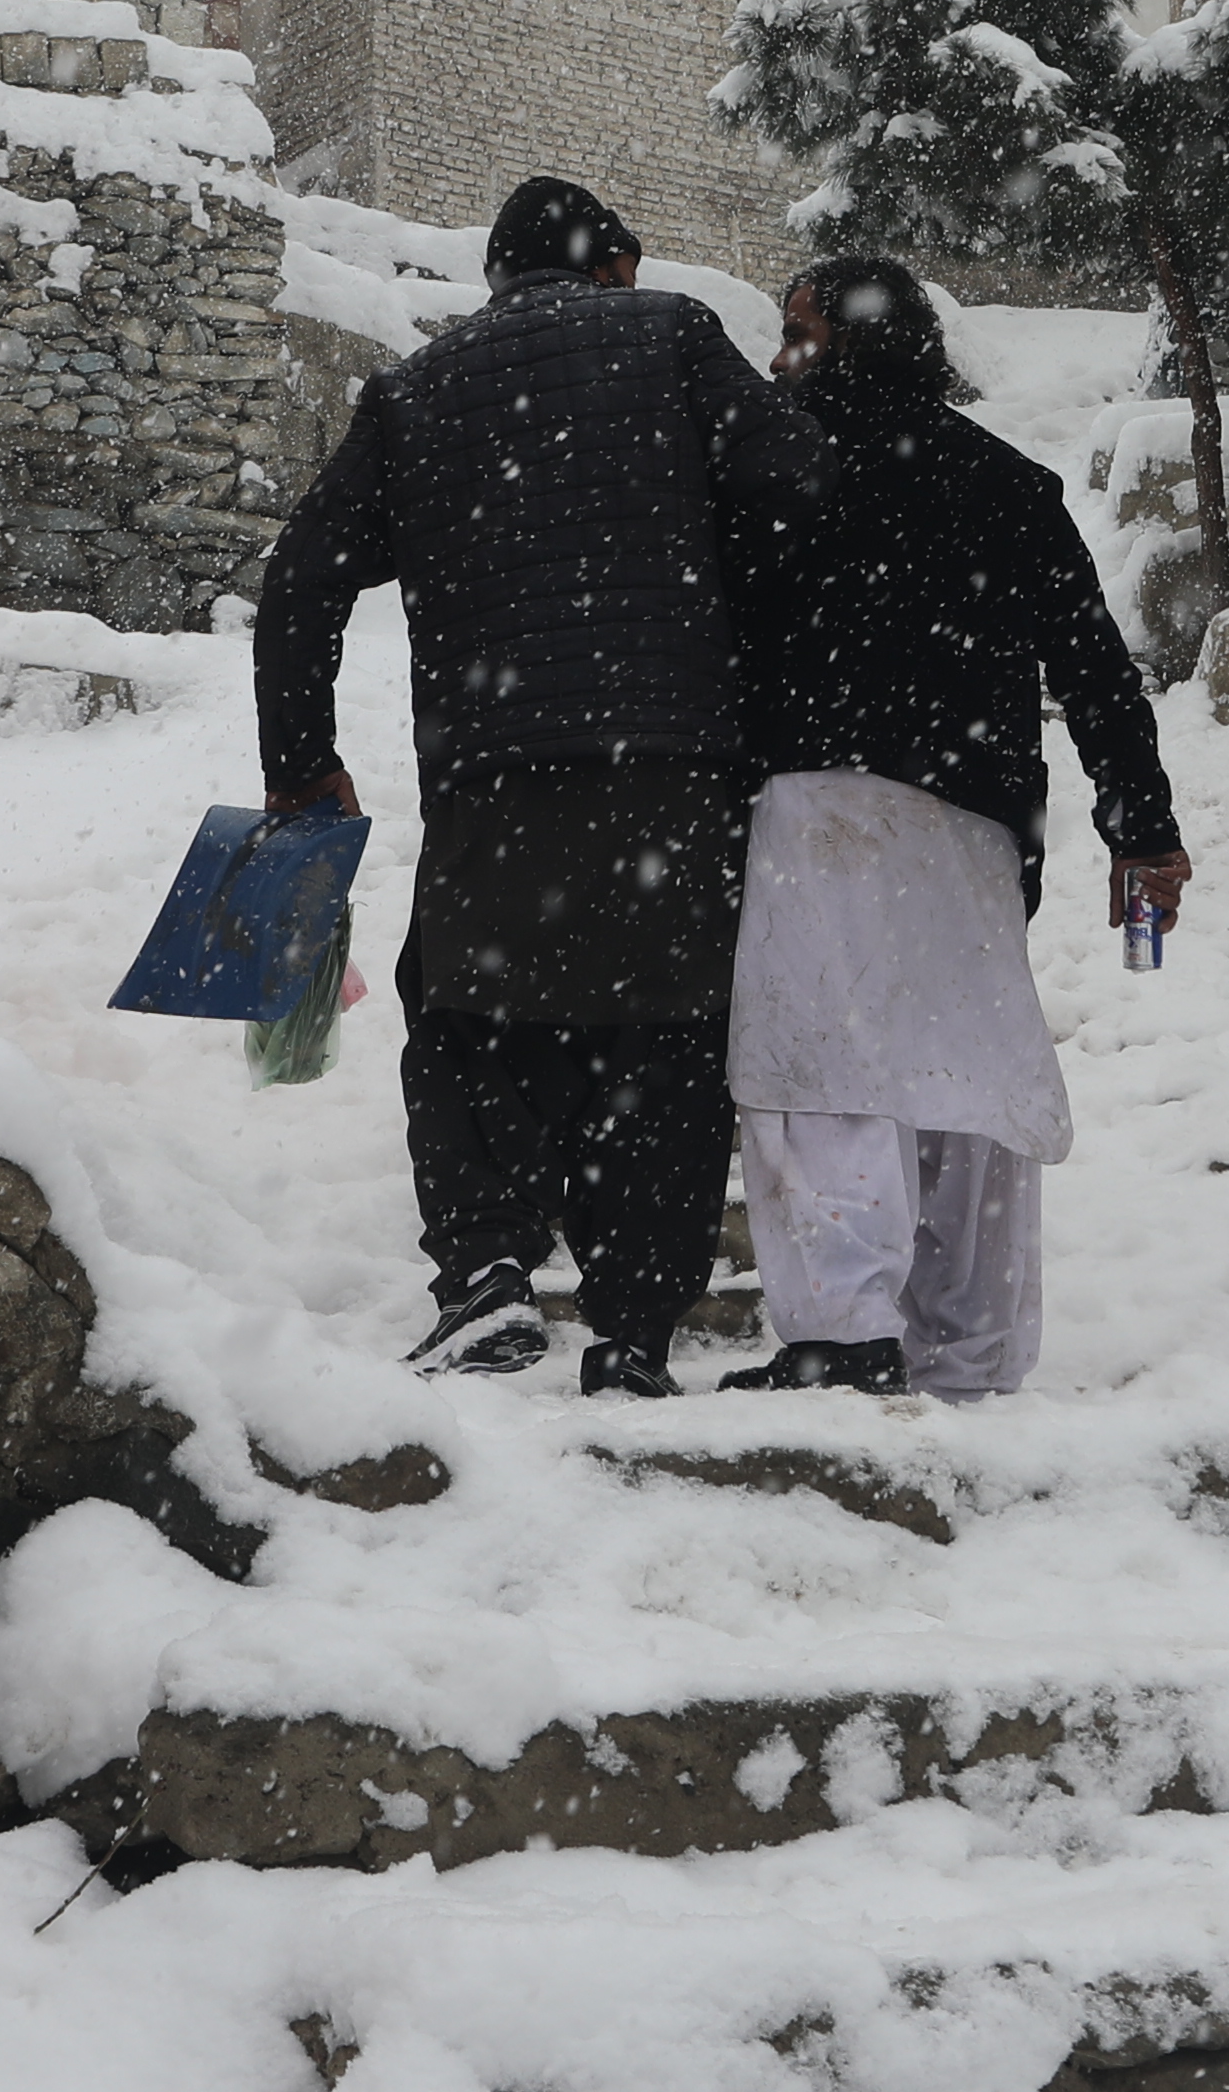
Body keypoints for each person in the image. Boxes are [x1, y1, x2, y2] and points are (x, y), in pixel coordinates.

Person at [254, 174, 826, 1396]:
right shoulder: (672, 332)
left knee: (468, 1022)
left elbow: (299, 579)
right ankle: (631, 1329)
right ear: (613, 261)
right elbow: (798, 490)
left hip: (495, 775)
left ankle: (484, 1279)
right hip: (674, 767)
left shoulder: (417, 390)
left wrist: (302, 767)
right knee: (666, 1040)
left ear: (499, 277)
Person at [716, 253, 1188, 1399]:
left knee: (821, 1067)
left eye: (795, 330)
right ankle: (970, 1343)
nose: (779, 355)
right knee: (959, 1071)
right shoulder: (1004, 482)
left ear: (835, 340)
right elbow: (1094, 670)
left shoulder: (764, 466)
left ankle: (840, 1324)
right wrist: (1141, 828)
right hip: (970, 823)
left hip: (813, 798)